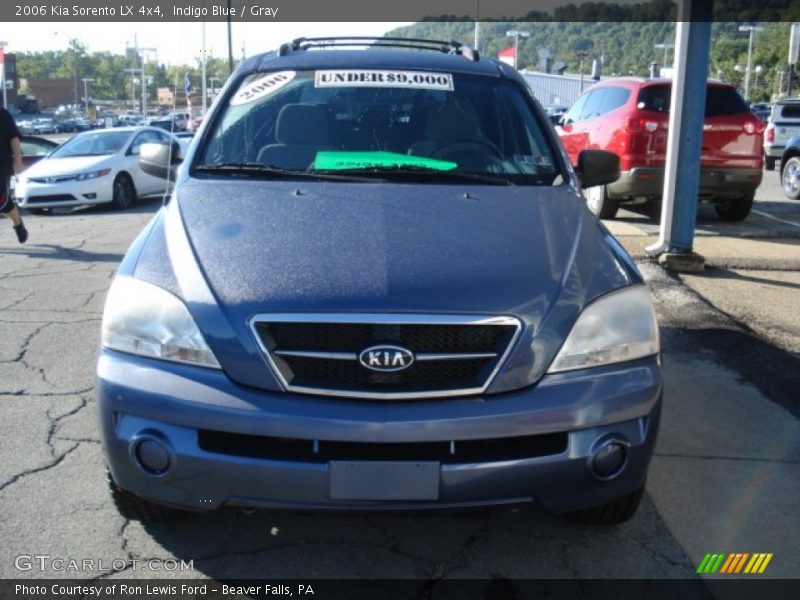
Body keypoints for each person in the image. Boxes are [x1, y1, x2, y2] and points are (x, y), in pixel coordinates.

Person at [0, 107, 28, 244]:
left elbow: (14, 138)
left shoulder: (2, 114)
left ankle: (17, 223)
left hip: (1, 165)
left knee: (2, 202)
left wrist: (18, 160)